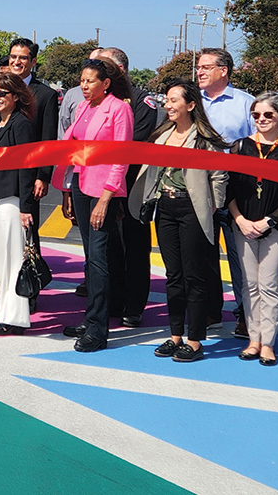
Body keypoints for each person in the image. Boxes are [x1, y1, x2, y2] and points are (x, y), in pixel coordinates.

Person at [129, 79, 228, 363]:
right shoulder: (162, 134)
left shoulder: (204, 139)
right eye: (167, 100)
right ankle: (175, 335)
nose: (168, 106)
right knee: (173, 275)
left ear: (191, 105)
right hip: (166, 208)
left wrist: (213, 206)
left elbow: (219, 174)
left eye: (174, 101)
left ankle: (195, 340)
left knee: (194, 275)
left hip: (194, 208)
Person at [56, 58, 133, 353]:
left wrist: (106, 198)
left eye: (90, 81)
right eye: (82, 81)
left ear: (106, 83)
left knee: (99, 258)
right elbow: (72, 147)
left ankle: (99, 329)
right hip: (80, 184)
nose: (84, 86)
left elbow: (121, 156)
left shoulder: (119, 109)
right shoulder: (83, 107)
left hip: (103, 191)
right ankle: (91, 319)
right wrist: (66, 189)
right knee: (89, 256)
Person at [227, 93, 278, 366]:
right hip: (243, 224)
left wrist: (269, 221)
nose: (261, 120)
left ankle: (268, 342)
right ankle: (253, 339)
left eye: (268, 115)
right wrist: (239, 219)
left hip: (277, 225)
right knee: (249, 284)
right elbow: (229, 188)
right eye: (256, 115)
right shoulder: (240, 146)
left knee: (269, 284)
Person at [92, 47, 159, 326]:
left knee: (134, 246)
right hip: (102, 185)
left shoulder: (142, 101)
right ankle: (113, 301)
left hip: (132, 187)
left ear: (118, 70)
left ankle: (133, 306)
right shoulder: (100, 101)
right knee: (108, 249)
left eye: (102, 67)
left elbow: (135, 142)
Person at [197, 47, 255, 338]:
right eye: (198, 67)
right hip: (200, 185)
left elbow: (259, 144)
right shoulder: (194, 103)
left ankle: (245, 312)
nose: (200, 71)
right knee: (204, 251)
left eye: (207, 66)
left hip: (236, 187)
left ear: (224, 71)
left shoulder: (246, 103)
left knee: (239, 254)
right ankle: (210, 309)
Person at [0, 70, 37, 336]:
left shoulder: (21, 124)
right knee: (0, 260)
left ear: (16, 96)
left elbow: (27, 168)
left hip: (13, 200)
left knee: (14, 260)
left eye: (2, 93)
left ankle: (15, 319)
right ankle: (4, 313)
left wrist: (26, 207)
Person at [5, 38, 58, 252]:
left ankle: (29, 274)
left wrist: (43, 176)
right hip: (1, 171)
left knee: (27, 227)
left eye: (23, 58)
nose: (17, 62)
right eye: (13, 57)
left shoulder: (46, 96)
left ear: (33, 61)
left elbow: (48, 140)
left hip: (28, 174)